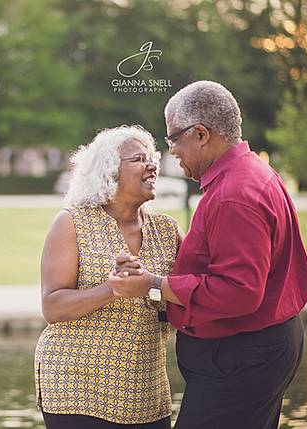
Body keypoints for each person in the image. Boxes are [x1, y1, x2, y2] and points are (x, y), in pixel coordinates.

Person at [146, 80, 307, 429]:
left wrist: (156, 285)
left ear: (201, 134)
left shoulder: (233, 194)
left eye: (173, 138)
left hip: (241, 355)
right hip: (258, 347)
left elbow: (239, 291)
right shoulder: (251, 172)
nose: (172, 150)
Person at [34, 125, 182, 429]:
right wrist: (111, 289)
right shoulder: (72, 222)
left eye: (152, 157)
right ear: (109, 172)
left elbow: (185, 298)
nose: (152, 164)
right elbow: (52, 307)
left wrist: (152, 288)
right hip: (76, 390)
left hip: (146, 393)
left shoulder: (168, 230)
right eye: (139, 159)